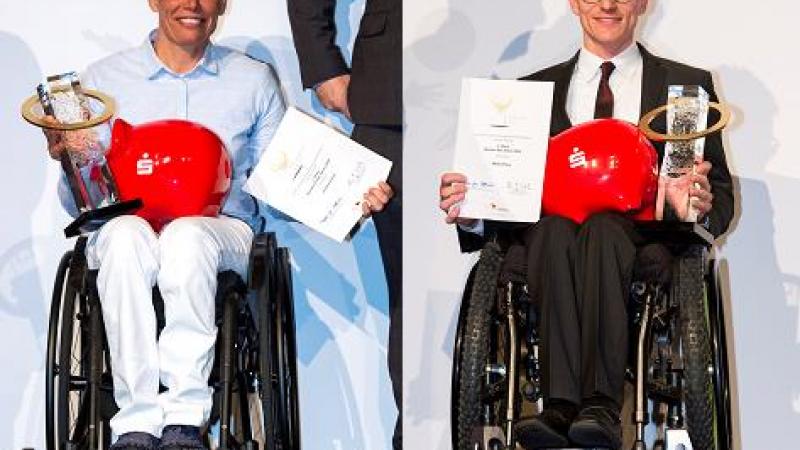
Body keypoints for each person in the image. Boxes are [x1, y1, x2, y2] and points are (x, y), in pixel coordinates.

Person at [43, 1, 392, 449]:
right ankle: (136, 422)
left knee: (187, 236)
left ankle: (185, 419)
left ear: (222, 5)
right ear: (153, 1)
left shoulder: (251, 79)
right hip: (131, 227)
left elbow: (280, 187)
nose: (192, 5)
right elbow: (82, 204)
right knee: (124, 236)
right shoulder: (104, 81)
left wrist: (348, 198)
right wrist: (70, 162)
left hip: (220, 230)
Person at [438, 0, 734, 448]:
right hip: (550, 242)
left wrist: (701, 203)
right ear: (575, 3)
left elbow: (721, 201)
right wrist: (475, 209)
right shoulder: (530, 93)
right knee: (555, 230)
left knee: (602, 229)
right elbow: (507, 200)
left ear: (642, 3)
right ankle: (559, 406)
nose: (608, 4)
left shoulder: (686, 88)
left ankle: (600, 404)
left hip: (639, 242)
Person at [286, 0, 403, 448]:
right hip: (391, 97)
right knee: (409, 292)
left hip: (489, 80)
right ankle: (411, 433)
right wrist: (323, 69)